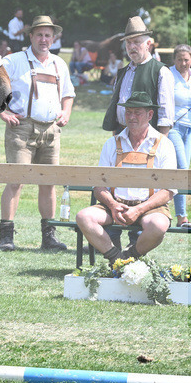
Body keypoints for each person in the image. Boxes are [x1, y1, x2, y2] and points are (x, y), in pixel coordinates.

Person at [0, 15, 74, 252]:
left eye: (48, 35)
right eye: (39, 34)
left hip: (51, 129)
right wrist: (2, 112)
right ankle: (6, 236)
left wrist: (66, 112)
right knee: (15, 181)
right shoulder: (13, 60)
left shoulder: (59, 64)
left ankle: (49, 237)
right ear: (30, 36)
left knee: (48, 183)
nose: (43, 39)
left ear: (54, 38)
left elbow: (69, 94)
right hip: (21, 128)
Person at [75, 92, 177, 263]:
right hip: (115, 205)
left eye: (137, 112)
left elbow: (169, 190)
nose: (131, 117)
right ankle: (116, 258)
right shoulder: (112, 143)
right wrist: (113, 205)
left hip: (150, 207)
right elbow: (98, 186)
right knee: (83, 217)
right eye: (128, 112)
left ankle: (130, 257)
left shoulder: (164, 144)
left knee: (159, 226)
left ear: (150, 114)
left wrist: (139, 209)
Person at [102, 16, 174, 135]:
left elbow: (165, 112)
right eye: (128, 43)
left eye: (136, 42)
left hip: (148, 135)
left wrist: (161, 143)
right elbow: (117, 107)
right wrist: (115, 137)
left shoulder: (161, 71)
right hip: (121, 132)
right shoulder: (122, 72)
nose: (131, 47)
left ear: (148, 44)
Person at [167, 45, 191, 227]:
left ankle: (168, 211)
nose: (183, 63)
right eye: (180, 59)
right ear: (174, 59)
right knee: (182, 169)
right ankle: (182, 217)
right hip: (172, 127)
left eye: (187, 59)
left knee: (183, 170)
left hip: (189, 127)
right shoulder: (167, 74)